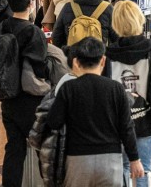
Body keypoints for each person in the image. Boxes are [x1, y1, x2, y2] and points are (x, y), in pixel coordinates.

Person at [46, 36, 143, 186]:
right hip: (110, 160)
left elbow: (53, 122)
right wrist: (134, 159)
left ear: (76, 61)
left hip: (77, 159)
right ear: (103, 60)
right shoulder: (116, 89)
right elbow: (127, 128)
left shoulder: (69, 88)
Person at [105, 0, 151, 187]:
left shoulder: (107, 55)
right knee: (143, 170)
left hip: (116, 123)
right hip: (146, 122)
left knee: (122, 168)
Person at [0, 0, 48, 187]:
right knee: (42, 149)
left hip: (8, 97)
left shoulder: (3, 26)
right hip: (31, 101)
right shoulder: (34, 33)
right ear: (31, 3)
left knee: (14, 149)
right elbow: (40, 68)